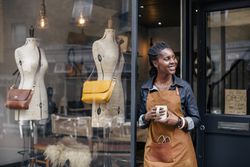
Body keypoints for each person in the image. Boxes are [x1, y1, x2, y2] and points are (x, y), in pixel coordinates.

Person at [138, 42, 200, 167]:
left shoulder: (184, 87)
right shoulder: (146, 88)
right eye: (167, 59)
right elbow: (140, 122)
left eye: (173, 57)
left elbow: (196, 119)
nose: (173, 61)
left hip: (180, 152)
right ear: (156, 63)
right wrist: (147, 117)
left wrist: (178, 121)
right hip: (155, 151)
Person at [91, 19, 125, 128]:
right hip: (104, 87)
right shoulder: (98, 44)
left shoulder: (118, 46)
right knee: (104, 123)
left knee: (116, 127)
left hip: (118, 88)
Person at [14, 38, 48, 121]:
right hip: (26, 93)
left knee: (40, 126)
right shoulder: (19, 51)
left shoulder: (41, 51)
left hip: (41, 93)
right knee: (25, 129)